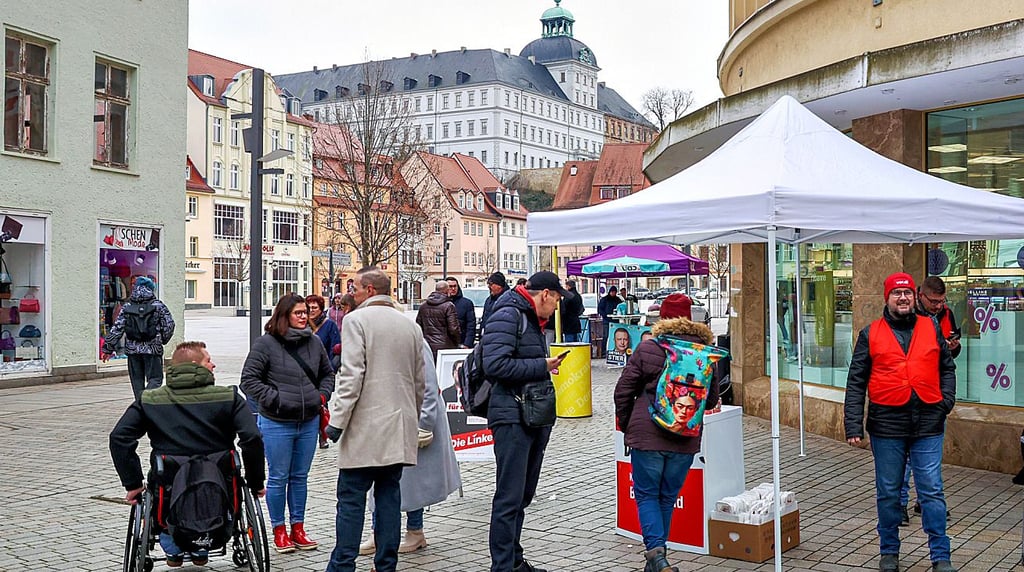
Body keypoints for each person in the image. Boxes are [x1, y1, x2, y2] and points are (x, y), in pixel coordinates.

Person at [109, 341, 265, 568]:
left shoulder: (150, 400)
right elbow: (251, 438)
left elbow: (119, 438)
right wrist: (255, 481)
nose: (214, 364)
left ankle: (172, 546)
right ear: (196, 366)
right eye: (209, 360)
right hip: (220, 484)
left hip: (168, 482)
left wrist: (132, 483)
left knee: (161, 483)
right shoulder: (228, 397)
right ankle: (203, 546)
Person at [844, 273, 957, 572]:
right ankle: (889, 551)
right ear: (887, 298)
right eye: (897, 294)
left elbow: (947, 367)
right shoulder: (871, 333)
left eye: (907, 292)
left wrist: (946, 401)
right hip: (887, 425)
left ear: (914, 296)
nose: (903, 298)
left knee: (931, 489)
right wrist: (853, 424)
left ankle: (940, 556)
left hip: (928, 422)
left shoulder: (931, 326)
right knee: (889, 491)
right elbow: (856, 382)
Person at [323, 266, 426, 572]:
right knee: (389, 499)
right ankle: (386, 565)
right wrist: (411, 418)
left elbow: (351, 375)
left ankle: (342, 565)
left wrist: (336, 422)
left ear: (369, 290)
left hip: (365, 428)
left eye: (353, 287)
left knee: (352, 501)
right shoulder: (410, 326)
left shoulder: (357, 321)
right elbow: (419, 382)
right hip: (398, 426)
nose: (348, 292)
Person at [613, 292, 719, 572]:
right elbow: (709, 400)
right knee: (666, 498)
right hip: (684, 439)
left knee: (647, 495)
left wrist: (626, 425)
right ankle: (657, 561)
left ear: (662, 318)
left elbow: (623, 390)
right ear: (690, 318)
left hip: (647, 437)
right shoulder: (705, 353)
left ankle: (657, 558)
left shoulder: (649, 348)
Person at [482, 270, 571, 572]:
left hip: (531, 416)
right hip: (511, 416)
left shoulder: (531, 317)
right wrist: (541, 365)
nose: (557, 307)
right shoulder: (509, 314)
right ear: (545, 294)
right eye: (556, 299)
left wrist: (540, 367)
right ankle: (503, 566)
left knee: (522, 494)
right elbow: (495, 365)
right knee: (509, 496)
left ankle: (514, 560)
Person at [240, 293, 334, 554]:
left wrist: (322, 396)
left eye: (306, 312)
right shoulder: (266, 344)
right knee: (279, 477)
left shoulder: (314, 343)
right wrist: (275, 399)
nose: (304, 316)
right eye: (298, 313)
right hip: (277, 422)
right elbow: (248, 380)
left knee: (300, 477)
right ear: (284, 315)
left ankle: (298, 528)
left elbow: (328, 374)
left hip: (308, 421)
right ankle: (279, 530)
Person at [358, 340, 462, 556]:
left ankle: (415, 531)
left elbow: (429, 386)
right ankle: (379, 533)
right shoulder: (374, 338)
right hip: (389, 416)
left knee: (413, 480)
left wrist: (424, 424)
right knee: (385, 478)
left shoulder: (413, 340)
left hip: (411, 417)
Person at [902, 276, 961, 524]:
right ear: (921, 295)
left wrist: (953, 346)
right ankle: (899, 505)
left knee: (930, 457)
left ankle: (925, 503)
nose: (938, 306)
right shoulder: (905, 314)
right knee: (905, 457)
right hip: (908, 394)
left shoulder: (946, 313)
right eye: (934, 301)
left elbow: (952, 355)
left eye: (942, 301)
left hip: (935, 396)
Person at [101, 276, 176, 400]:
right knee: (155, 379)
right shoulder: (158, 305)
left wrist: (107, 348)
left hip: (133, 351)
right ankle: (147, 402)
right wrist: (162, 339)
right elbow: (169, 325)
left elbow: (117, 328)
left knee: (137, 381)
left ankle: (140, 404)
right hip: (152, 350)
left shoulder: (127, 307)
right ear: (151, 289)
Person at [416, 281, 461, 359]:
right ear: (447, 290)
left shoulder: (423, 306)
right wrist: (457, 342)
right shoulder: (448, 306)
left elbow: (418, 326)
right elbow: (453, 329)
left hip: (428, 345)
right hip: (446, 345)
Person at [307, 294, 341, 369]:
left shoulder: (330, 325)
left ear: (321, 309)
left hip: (324, 371)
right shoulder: (303, 325)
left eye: (314, 308)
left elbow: (335, 351)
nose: (311, 310)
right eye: (308, 308)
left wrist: (331, 370)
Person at [446, 276, 477, 347]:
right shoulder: (441, 303)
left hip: (461, 343)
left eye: (455, 286)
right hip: (444, 343)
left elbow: (471, 326)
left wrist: (468, 343)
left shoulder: (466, 303)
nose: (453, 289)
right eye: (450, 286)